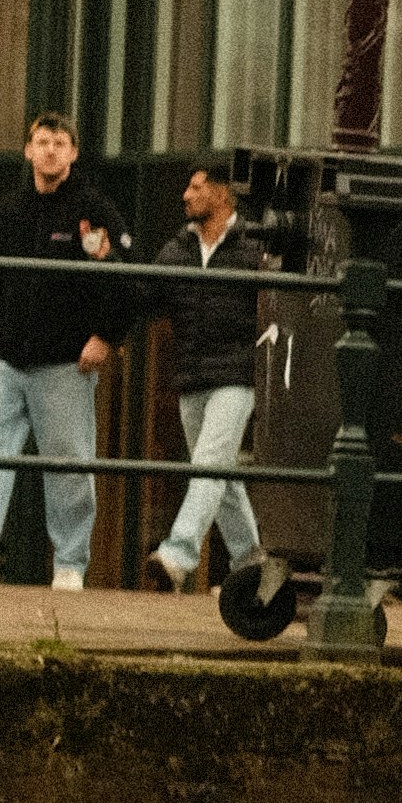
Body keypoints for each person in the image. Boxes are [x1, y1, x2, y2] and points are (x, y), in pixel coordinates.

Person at [0, 110, 124, 585]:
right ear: (28, 150)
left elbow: (126, 280)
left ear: (74, 153)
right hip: (5, 357)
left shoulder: (93, 211)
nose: (51, 151)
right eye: (42, 142)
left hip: (64, 362)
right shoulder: (8, 212)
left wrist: (106, 335)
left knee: (68, 465)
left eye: (60, 143)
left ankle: (69, 565)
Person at [151, 155, 269, 591]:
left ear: (221, 194)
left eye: (196, 187)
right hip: (191, 376)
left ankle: (178, 554)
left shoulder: (254, 247)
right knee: (221, 474)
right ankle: (252, 566)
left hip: (237, 375)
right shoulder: (178, 248)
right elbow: (147, 294)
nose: (186, 195)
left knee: (208, 465)